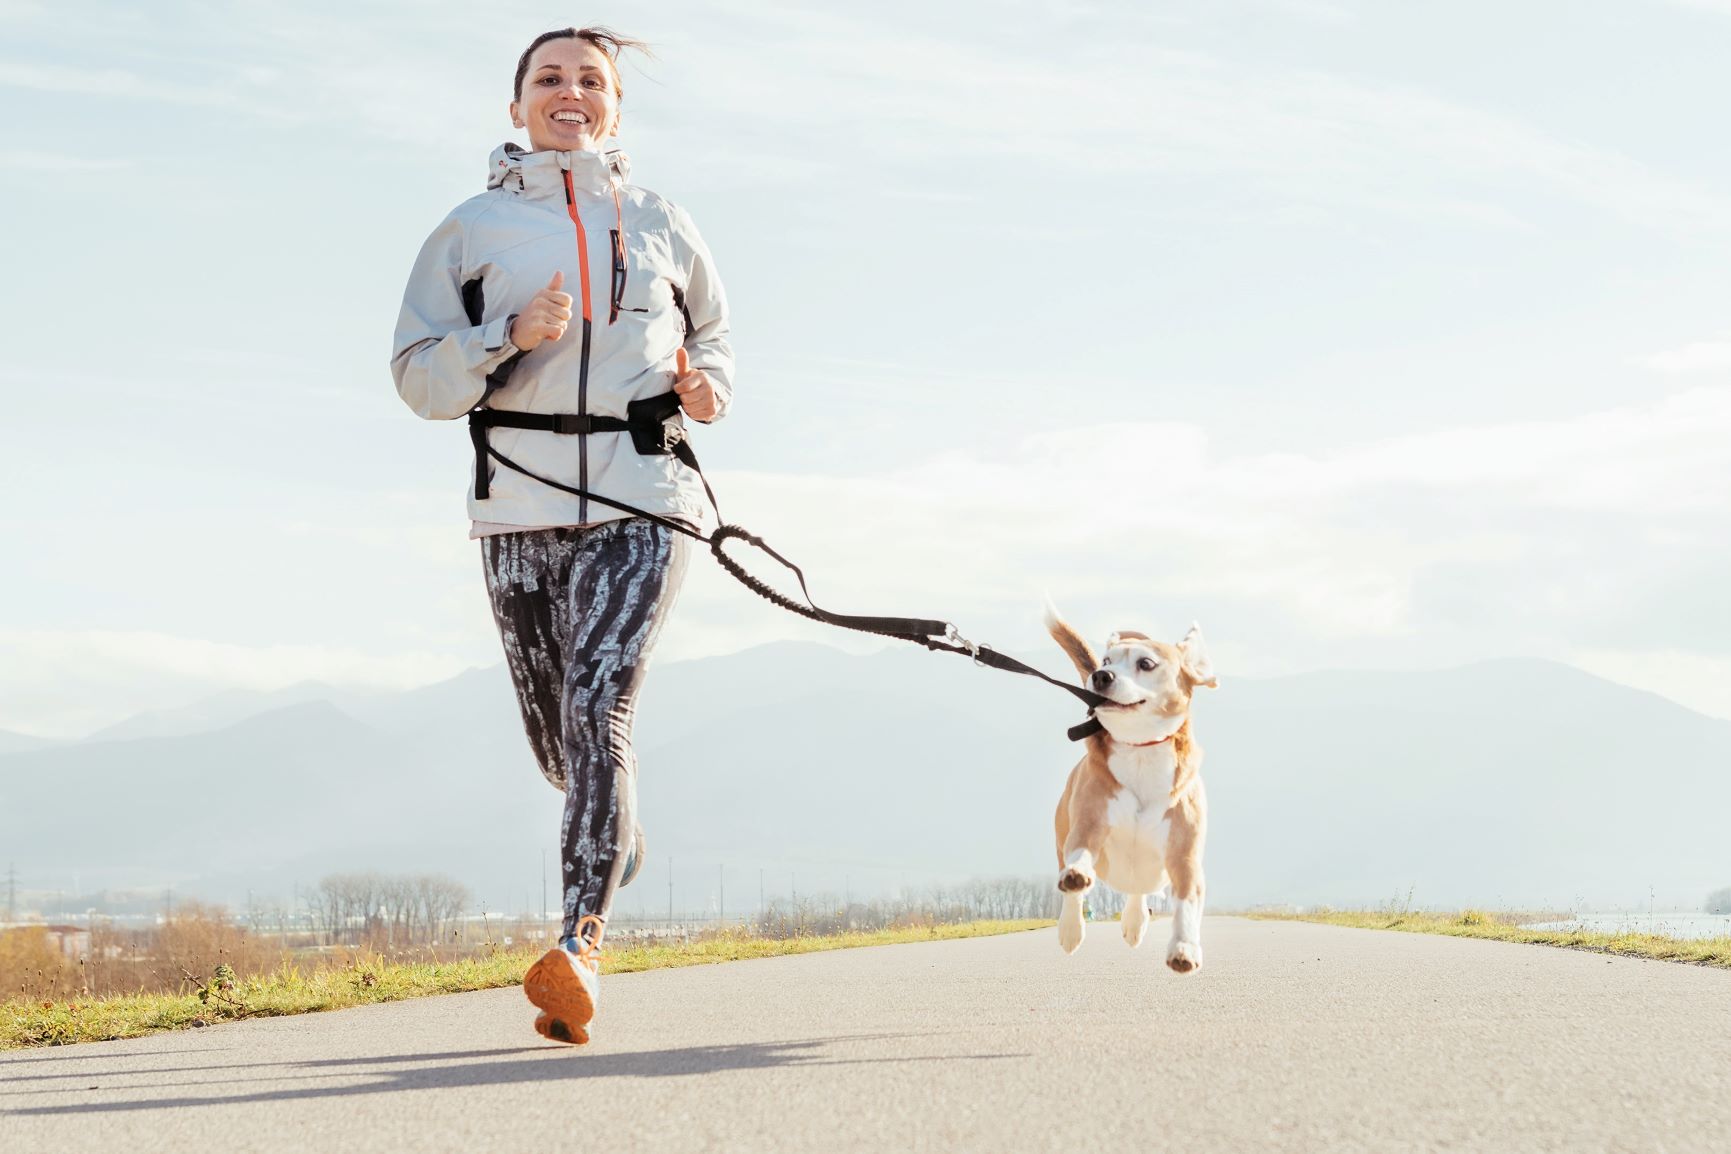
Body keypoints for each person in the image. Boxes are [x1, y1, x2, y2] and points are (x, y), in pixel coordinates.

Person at [390, 25, 733, 1045]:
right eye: (550, 79)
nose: (569, 92)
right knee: (562, 743)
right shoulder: (470, 229)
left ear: (615, 107)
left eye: (591, 80)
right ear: (517, 107)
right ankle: (608, 818)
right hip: (519, 508)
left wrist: (709, 387)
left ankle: (578, 948)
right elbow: (416, 377)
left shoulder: (666, 220)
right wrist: (507, 336)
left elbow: (713, 333)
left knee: (596, 704)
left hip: (643, 500)